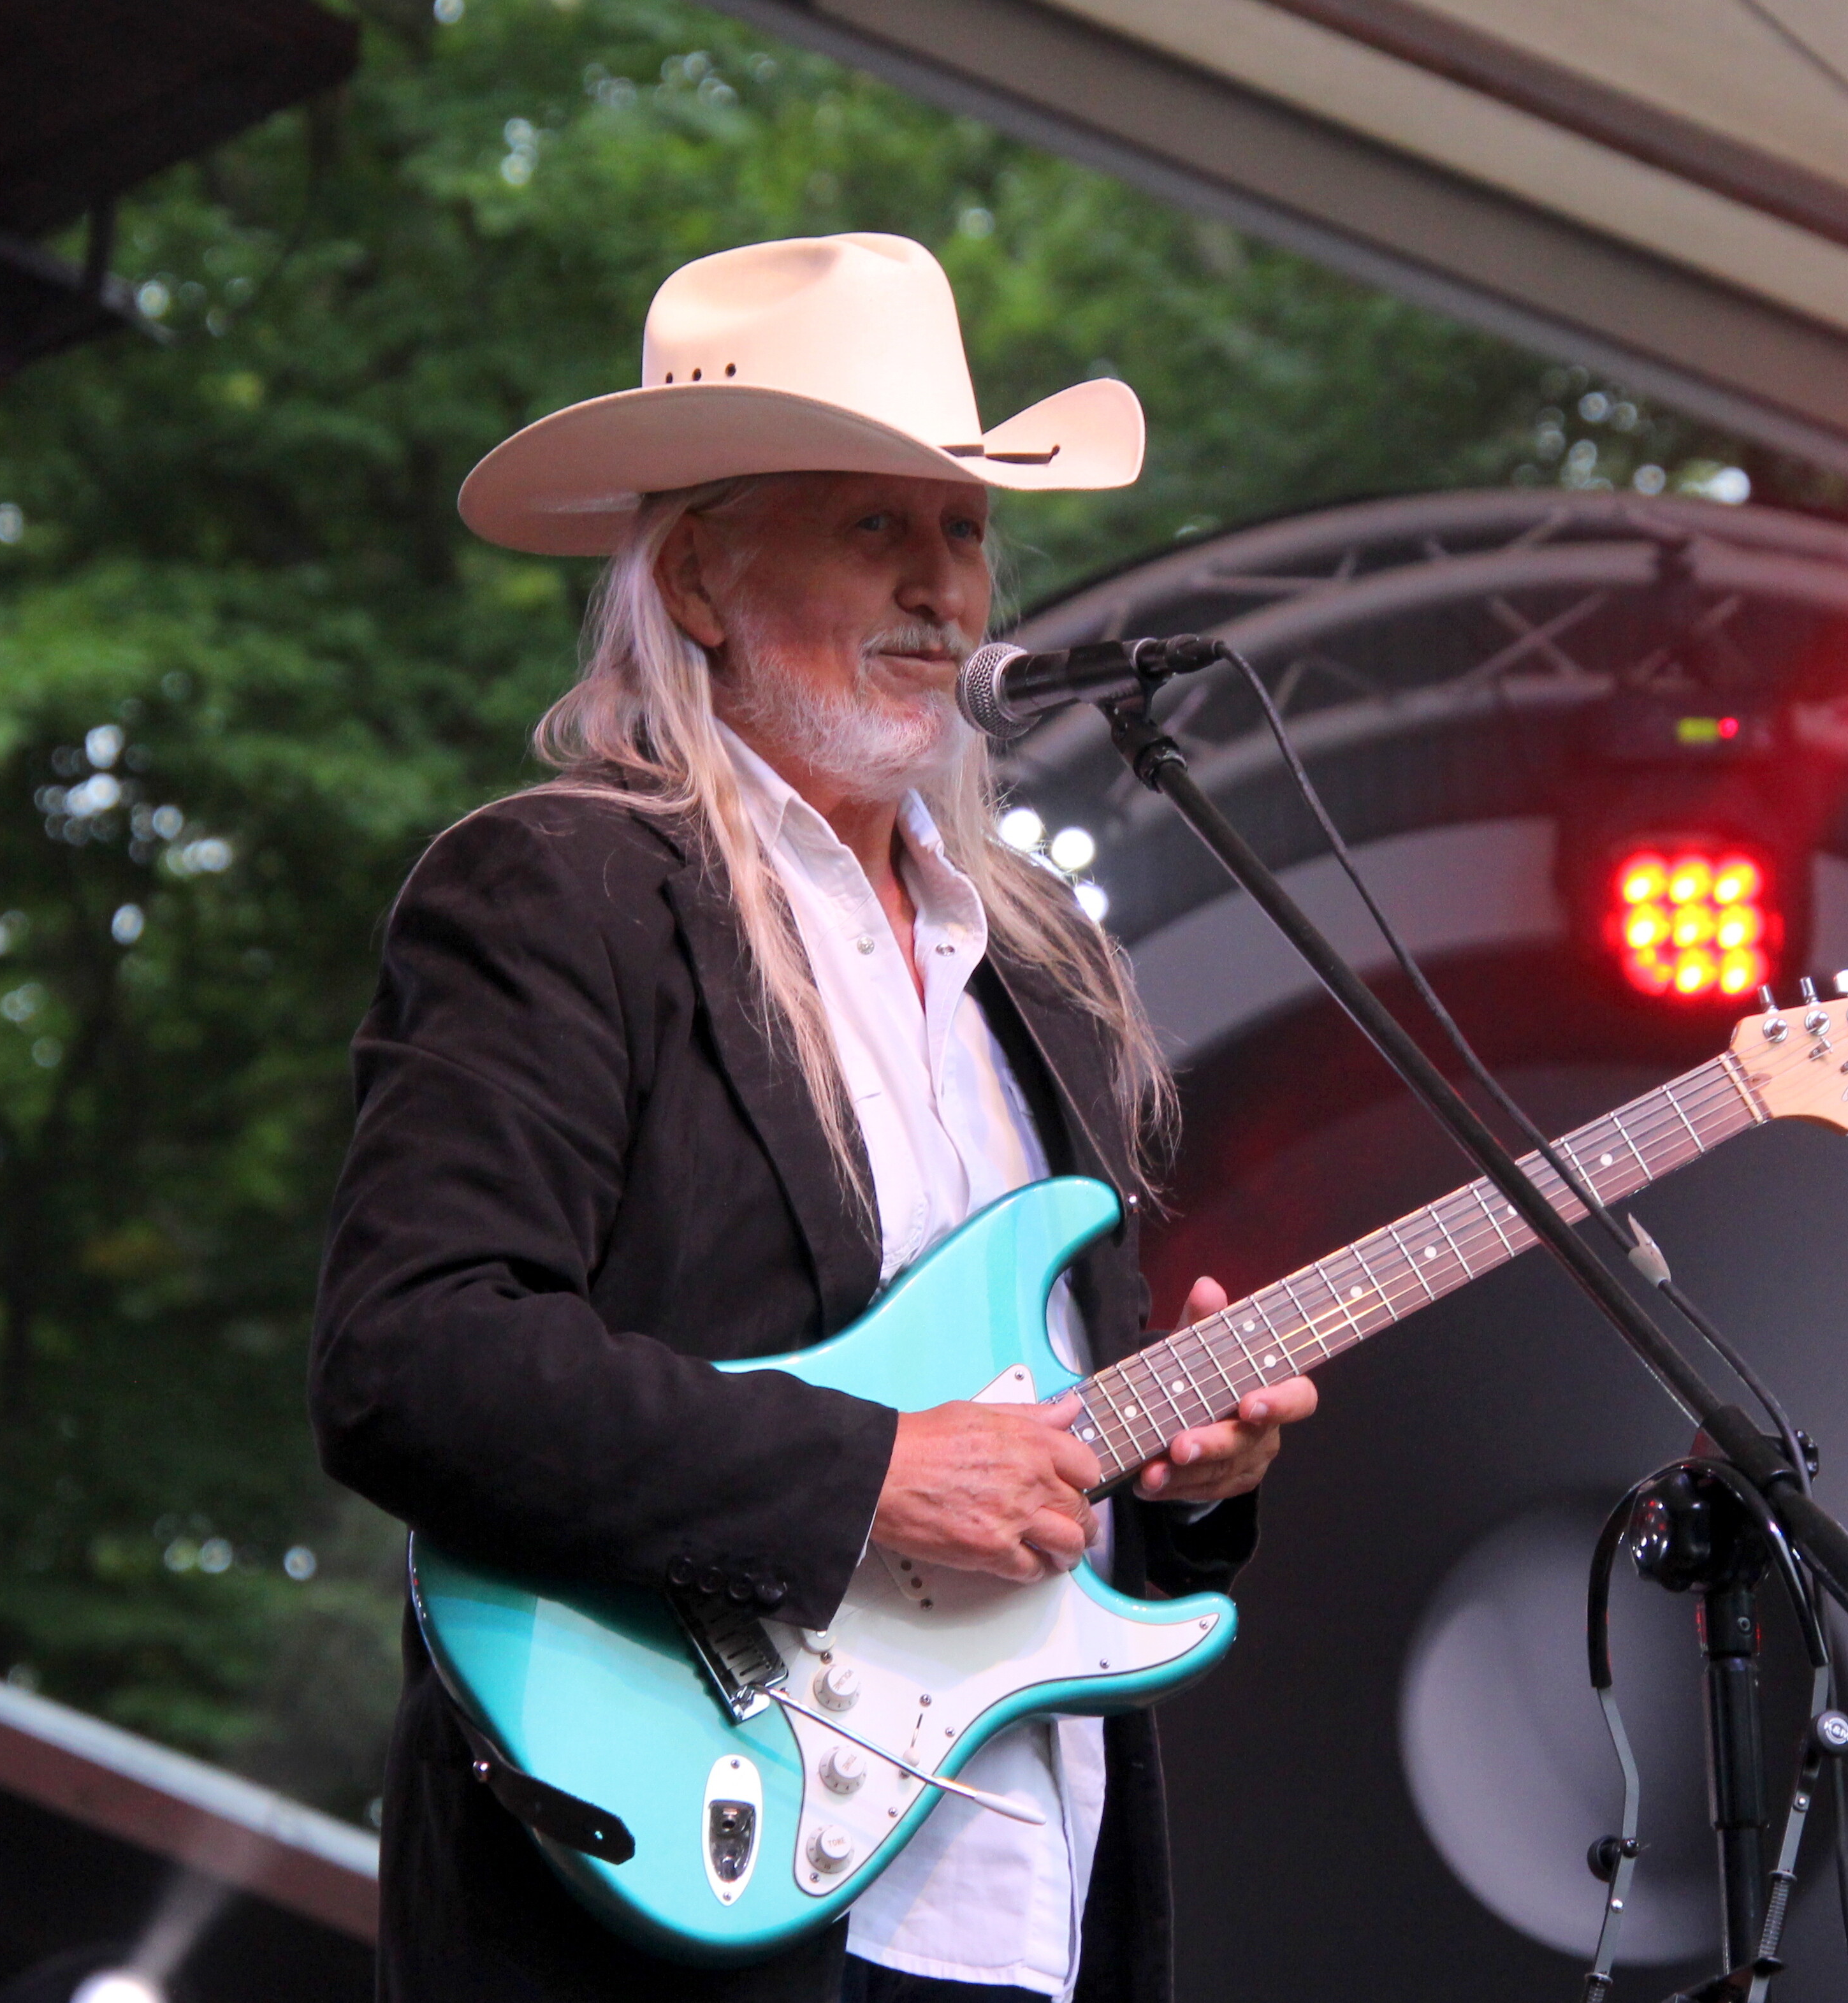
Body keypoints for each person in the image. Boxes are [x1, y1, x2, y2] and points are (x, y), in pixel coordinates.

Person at [309, 233, 1318, 2003]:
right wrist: (868, 1478)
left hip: (1023, 1913)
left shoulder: (1045, 980)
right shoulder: (565, 890)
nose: (944, 589)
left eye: (966, 531)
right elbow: (414, 1358)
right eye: (874, 527)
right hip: (677, 1889)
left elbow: (1035, 1478)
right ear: (702, 577)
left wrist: (1189, 1480)